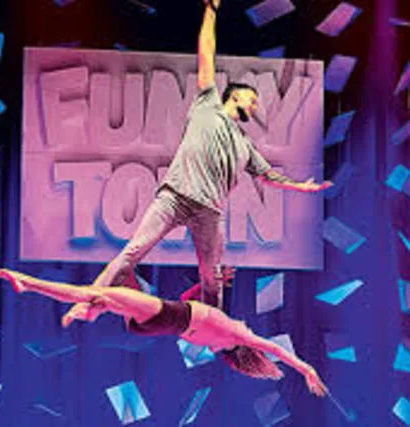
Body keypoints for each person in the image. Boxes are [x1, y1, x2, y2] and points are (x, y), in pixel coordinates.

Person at [64, 0, 332, 320]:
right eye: (252, 99)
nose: (256, 105)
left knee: (211, 277)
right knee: (132, 252)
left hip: (209, 212)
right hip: (174, 197)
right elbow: (206, 52)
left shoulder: (245, 145)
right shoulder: (208, 104)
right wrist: (211, 11)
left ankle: (212, 329)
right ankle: (87, 304)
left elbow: (268, 176)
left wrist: (302, 187)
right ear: (235, 95)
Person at [0, 268, 328, 396]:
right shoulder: (218, 345)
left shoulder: (238, 335)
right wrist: (208, 283)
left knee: (93, 291)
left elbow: (275, 349)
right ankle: (92, 311)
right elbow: (187, 306)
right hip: (158, 324)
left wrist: (307, 369)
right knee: (113, 292)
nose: (247, 325)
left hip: (167, 316)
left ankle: (28, 284)